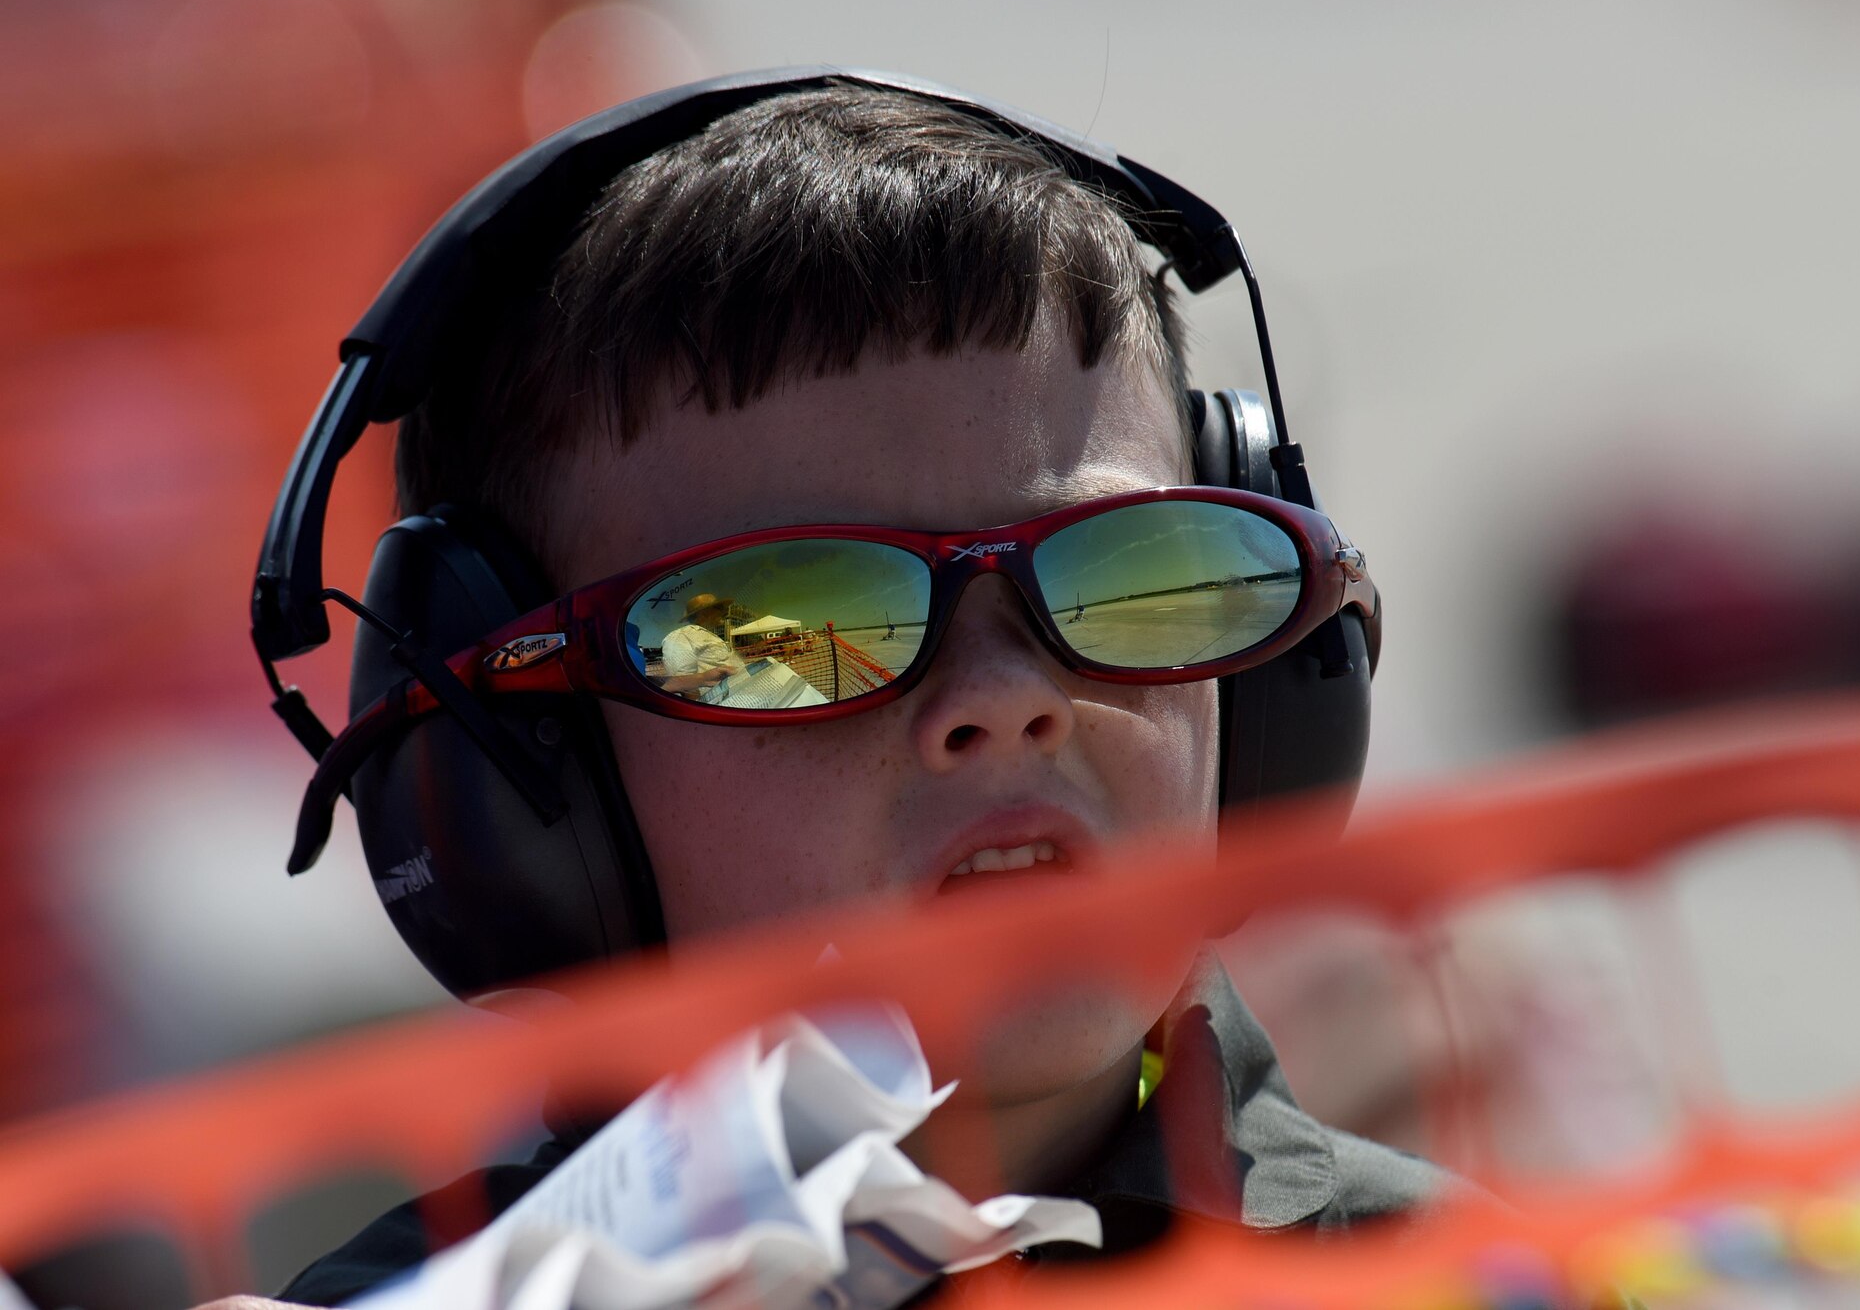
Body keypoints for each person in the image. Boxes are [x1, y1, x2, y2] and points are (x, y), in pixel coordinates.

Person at [249, 78, 1445, 1308]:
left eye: (1123, 576)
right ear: (526, 773)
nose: (1001, 697)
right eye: (793, 626)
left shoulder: (1500, 1274)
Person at [658, 593, 744, 700]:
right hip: (720, 705)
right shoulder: (681, 636)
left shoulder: (704, 635)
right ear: (703, 613)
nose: (725, 611)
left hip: (738, 695)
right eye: (719, 607)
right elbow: (682, 681)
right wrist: (700, 710)